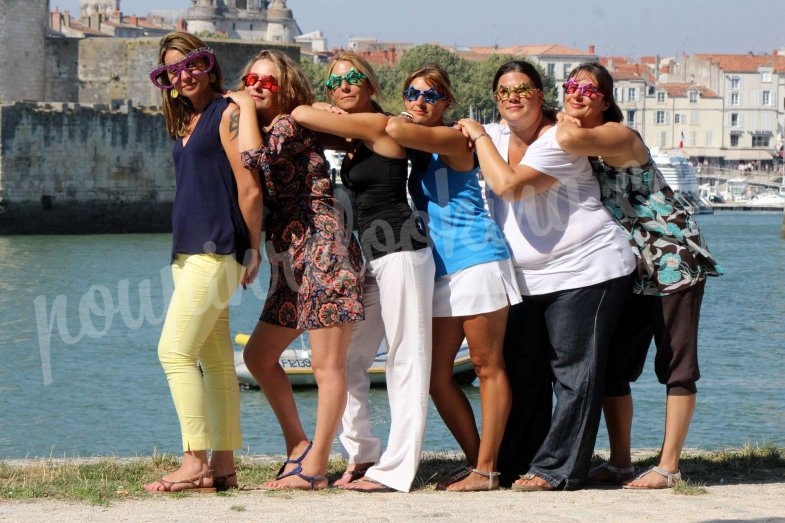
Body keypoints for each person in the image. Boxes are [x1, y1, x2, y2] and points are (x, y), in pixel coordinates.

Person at [457, 60, 637, 491]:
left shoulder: (558, 139)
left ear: (541, 96)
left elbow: (511, 187)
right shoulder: (497, 136)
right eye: (503, 92)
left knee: (574, 374)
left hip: (587, 268)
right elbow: (432, 137)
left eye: (522, 89)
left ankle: (558, 470)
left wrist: (479, 134)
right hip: (526, 279)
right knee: (523, 372)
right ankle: (520, 461)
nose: (512, 97)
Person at [554, 62, 723, 489]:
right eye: (571, 86)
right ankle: (621, 462)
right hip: (628, 264)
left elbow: (571, 138)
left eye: (588, 90)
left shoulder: (619, 136)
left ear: (606, 100)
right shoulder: (589, 138)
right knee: (613, 364)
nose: (577, 94)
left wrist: (559, 116)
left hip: (670, 257)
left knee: (677, 365)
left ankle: (668, 468)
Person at [291, 51, 435, 493]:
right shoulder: (353, 141)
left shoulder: (384, 125)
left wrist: (321, 110)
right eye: (335, 82)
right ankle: (363, 452)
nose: (345, 87)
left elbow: (298, 112)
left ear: (371, 85)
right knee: (351, 359)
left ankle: (397, 469)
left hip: (404, 252)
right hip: (371, 257)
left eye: (354, 78)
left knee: (406, 360)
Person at [230, 49, 365, 491]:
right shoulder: (284, 125)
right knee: (258, 356)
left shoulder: (288, 123)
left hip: (323, 250)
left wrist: (244, 106)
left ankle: (316, 467)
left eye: (266, 83)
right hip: (289, 260)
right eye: (250, 79)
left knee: (328, 368)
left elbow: (254, 161)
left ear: (285, 88)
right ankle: (298, 447)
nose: (255, 87)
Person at [384, 65, 519, 491]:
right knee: (434, 376)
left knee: (486, 366)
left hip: (479, 260)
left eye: (430, 96)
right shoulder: (421, 148)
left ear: (447, 103)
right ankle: (478, 461)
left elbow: (391, 128)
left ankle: (488, 467)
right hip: (442, 270)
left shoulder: (453, 138)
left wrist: (396, 117)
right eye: (411, 93)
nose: (419, 102)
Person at [144, 31, 262, 493]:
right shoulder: (186, 121)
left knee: (173, 352)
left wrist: (252, 249)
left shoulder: (227, 112)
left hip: (217, 249)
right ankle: (224, 466)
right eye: (173, 70)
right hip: (188, 251)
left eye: (190, 64)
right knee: (215, 362)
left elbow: (249, 188)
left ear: (208, 65)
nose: (183, 75)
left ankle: (193, 460)